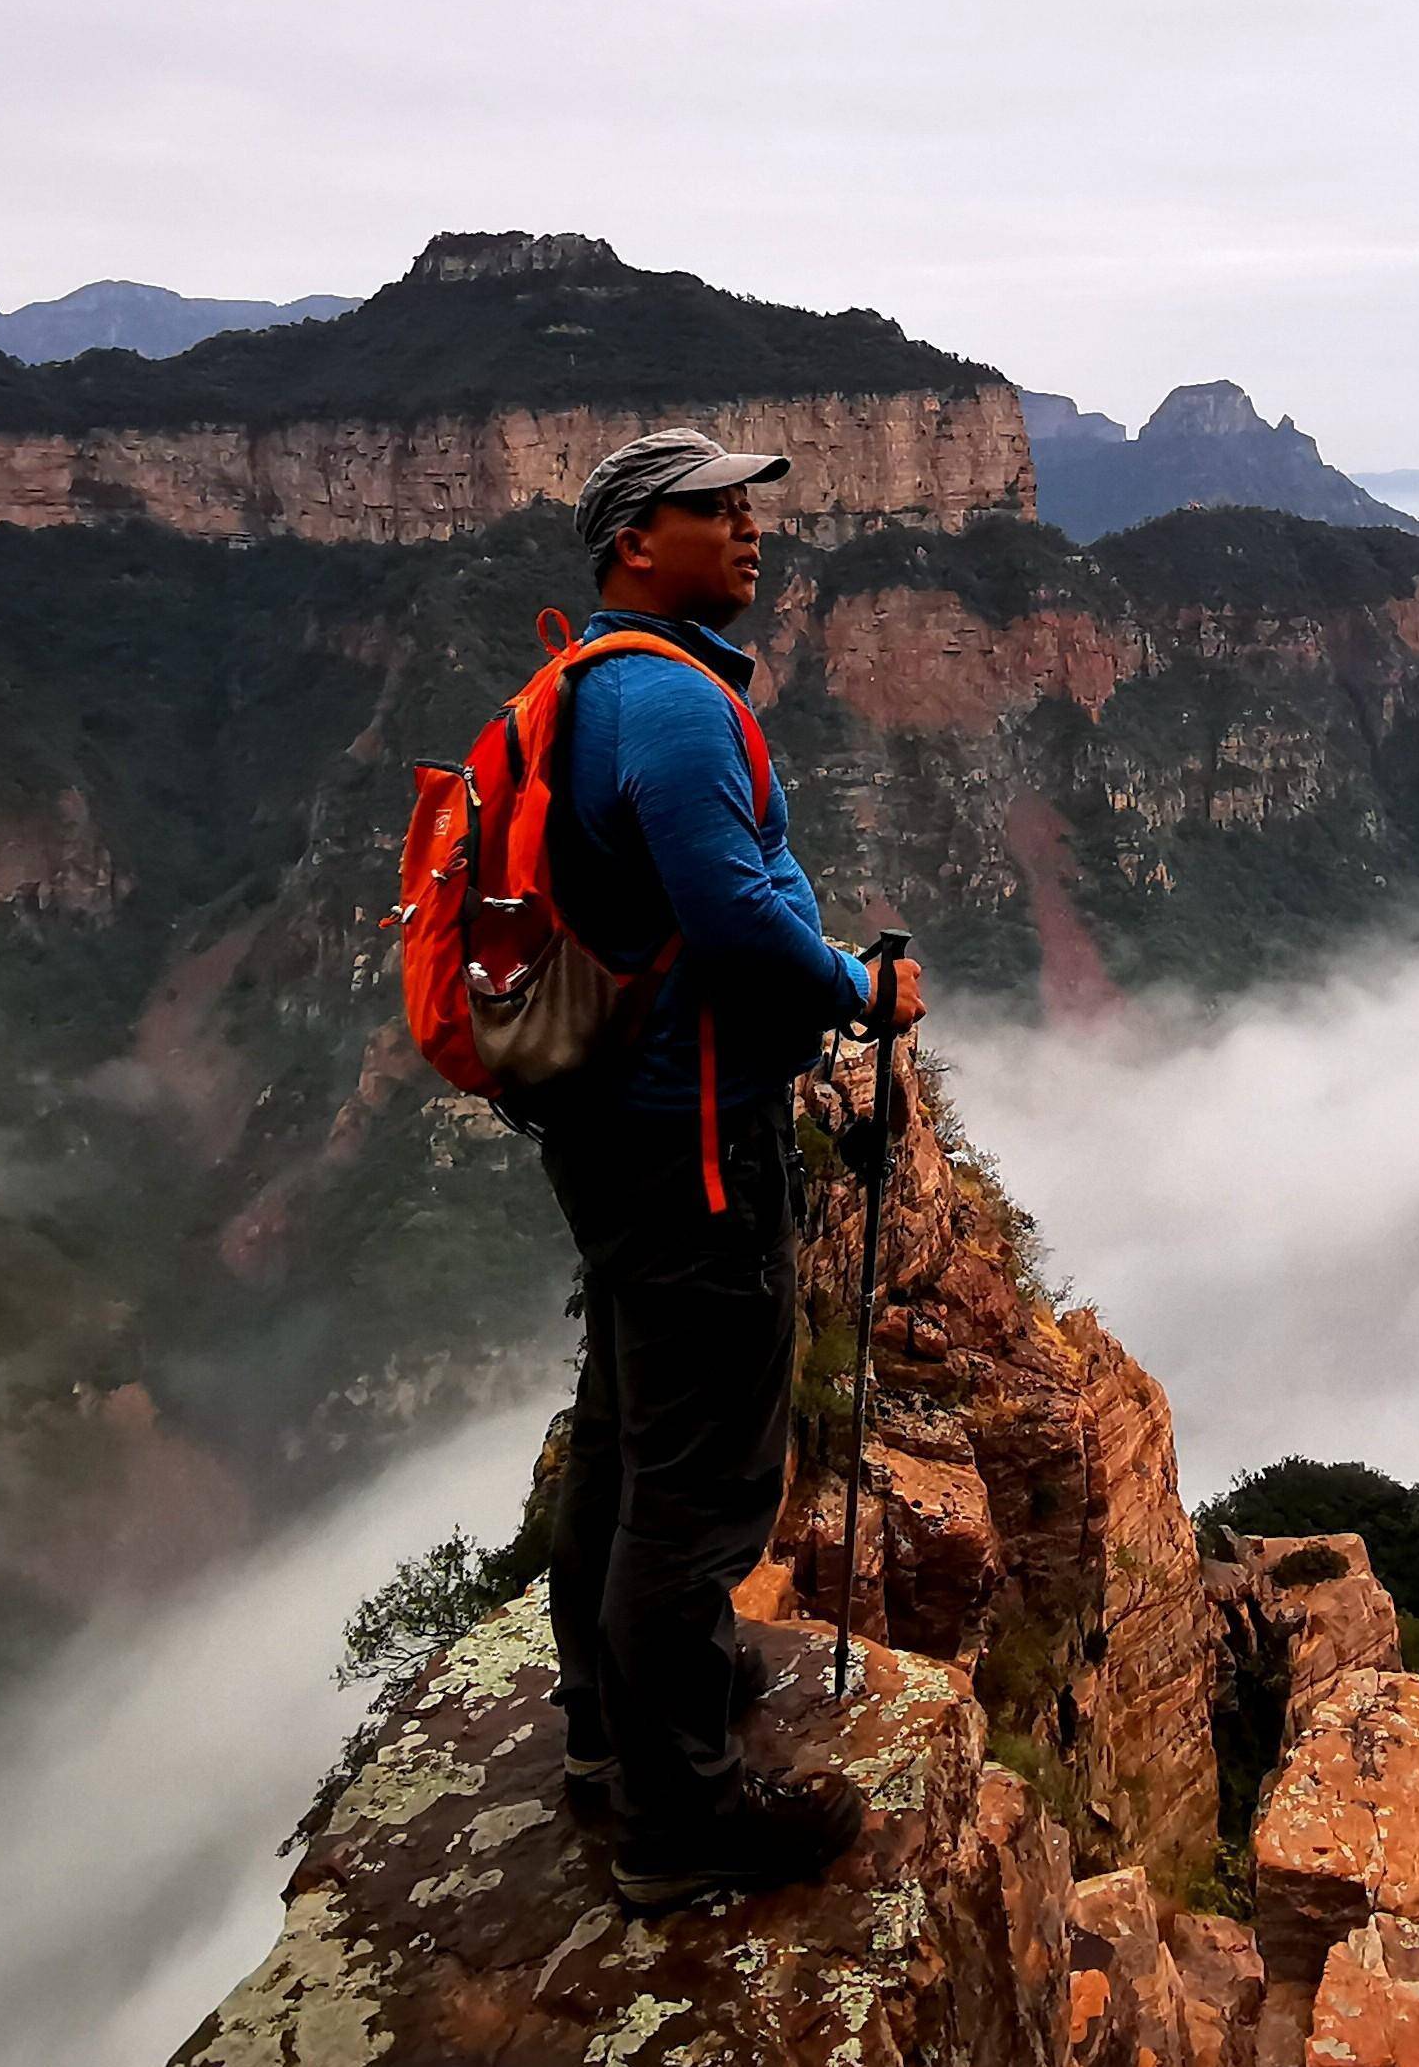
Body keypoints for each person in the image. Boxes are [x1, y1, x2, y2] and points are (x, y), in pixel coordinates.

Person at [526, 422, 932, 1911]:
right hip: (693, 1144)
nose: (751, 527)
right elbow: (731, 913)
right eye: (716, 508)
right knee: (702, 1483)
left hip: (619, 1131)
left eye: (751, 504)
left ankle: (606, 1730)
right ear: (638, 539)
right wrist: (854, 985)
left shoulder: (598, 684)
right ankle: (680, 1817)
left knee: (631, 1434)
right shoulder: (674, 702)